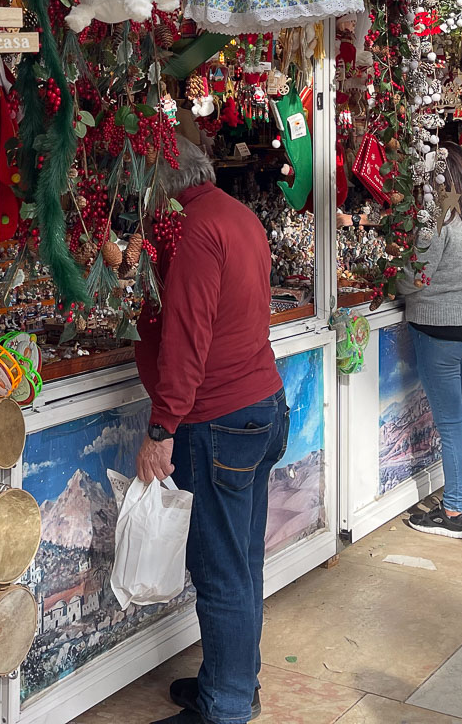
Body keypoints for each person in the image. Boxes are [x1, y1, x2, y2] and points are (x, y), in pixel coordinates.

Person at [134, 126, 286, 724]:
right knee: (242, 562)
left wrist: (161, 427)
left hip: (218, 419)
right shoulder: (237, 216)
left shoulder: (194, 230)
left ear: (162, 187)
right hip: (259, 405)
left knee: (222, 571)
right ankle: (234, 682)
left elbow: (187, 337)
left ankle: (226, 706)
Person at [397, 146, 462, 540]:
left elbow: (416, 277)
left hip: (439, 329)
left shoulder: (439, 218)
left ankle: (453, 511)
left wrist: (394, 280)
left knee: (452, 423)